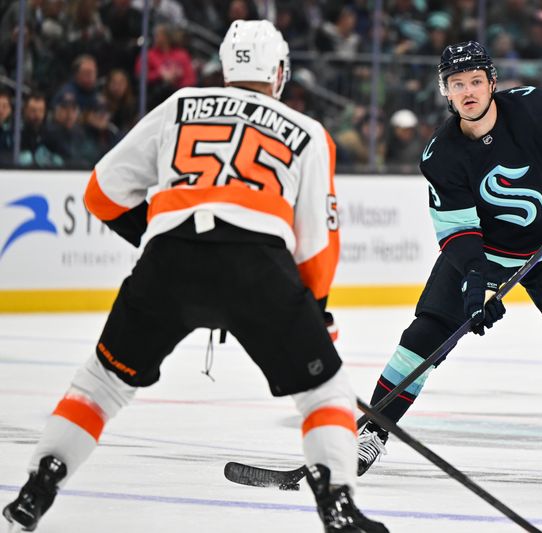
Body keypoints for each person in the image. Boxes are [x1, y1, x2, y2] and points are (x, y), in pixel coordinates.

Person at [3, 20, 388, 533]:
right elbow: (318, 244)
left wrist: (164, 238)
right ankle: (337, 507)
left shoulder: (179, 106)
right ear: (278, 72)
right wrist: (312, 307)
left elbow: (101, 193)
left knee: (102, 384)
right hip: (259, 266)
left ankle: (38, 486)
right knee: (324, 393)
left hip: (169, 259)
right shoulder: (308, 131)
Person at [356, 41, 542, 494]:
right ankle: (372, 433)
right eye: (458, 84)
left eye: (476, 81)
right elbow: (458, 233)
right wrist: (475, 283)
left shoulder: (533, 107)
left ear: (493, 83)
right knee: (425, 336)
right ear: (446, 92)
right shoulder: (441, 155)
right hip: (488, 253)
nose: (469, 91)